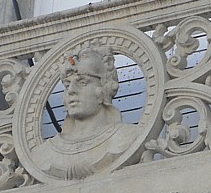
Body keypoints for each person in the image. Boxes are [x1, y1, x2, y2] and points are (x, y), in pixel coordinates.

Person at [32, 43, 139, 179]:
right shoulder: (44, 154)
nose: (71, 91)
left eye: (82, 82)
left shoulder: (127, 137)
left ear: (103, 89)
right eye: (67, 85)